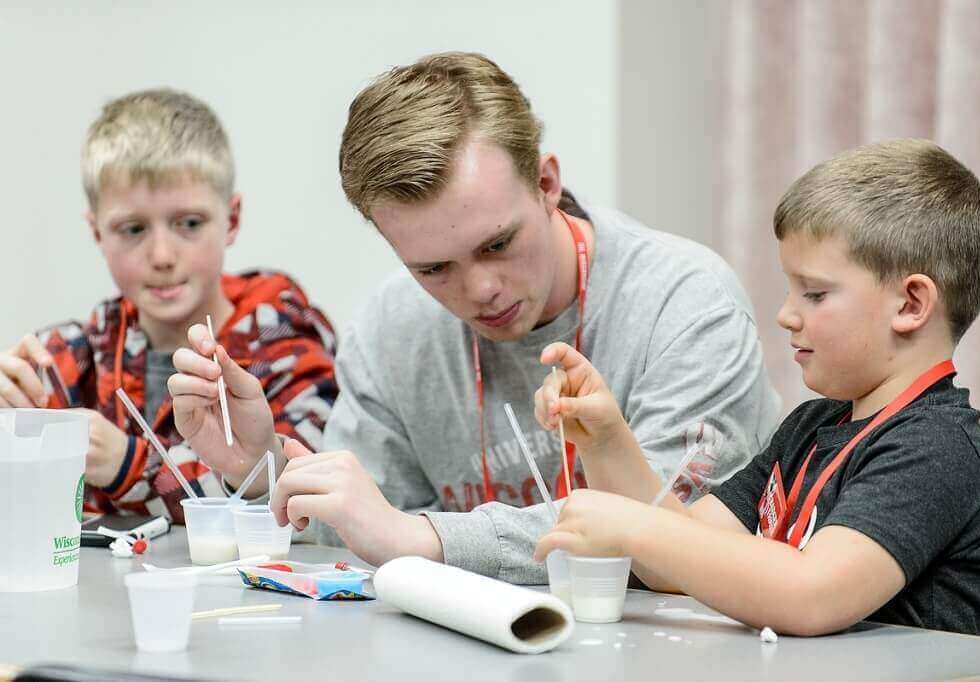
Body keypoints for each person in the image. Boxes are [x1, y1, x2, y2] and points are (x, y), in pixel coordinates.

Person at [169, 53, 780, 581]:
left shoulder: (687, 306)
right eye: (434, 268)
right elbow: (363, 529)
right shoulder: (390, 326)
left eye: (497, 244)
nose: (481, 290)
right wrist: (262, 464)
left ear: (546, 182)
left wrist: (423, 540)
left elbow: (672, 544)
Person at [533, 139, 980, 636]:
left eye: (815, 293)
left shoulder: (936, 448)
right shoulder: (812, 426)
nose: (785, 314)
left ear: (910, 305)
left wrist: (633, 527)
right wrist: (606, 440)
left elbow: (810, 596)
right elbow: (676, 558)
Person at [0, 88, 338, 522]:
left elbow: (299, 491)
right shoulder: (76, 356)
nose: (162, 255)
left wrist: (127, 466)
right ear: (97, 232)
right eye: (133, 229)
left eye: (189, 224)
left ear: (231, 220)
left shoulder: (285, 344)